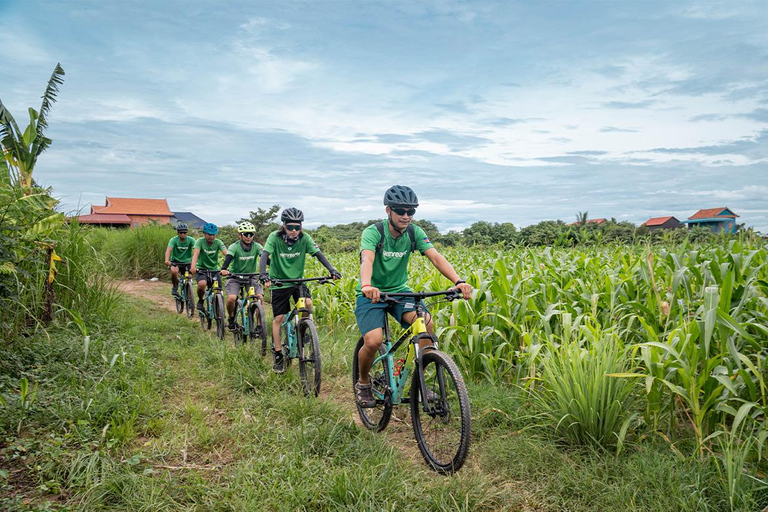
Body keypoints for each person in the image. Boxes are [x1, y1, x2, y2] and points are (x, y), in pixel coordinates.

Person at [354, 185, 472, 408]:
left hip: (400, 291)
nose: (406, 216)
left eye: (411, 211)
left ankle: (419, 383)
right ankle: (363, 383)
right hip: (372, 294)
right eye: (401, 211)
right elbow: (367, 260)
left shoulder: (414, 232)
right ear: (388, 210)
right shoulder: (374, 232)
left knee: (425, 324)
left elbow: (435, 257)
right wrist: (367, 285)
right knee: (374, 341)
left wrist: (458, 281)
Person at [259, 207, 341, 373]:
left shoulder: (305, 238)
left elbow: (318, 254)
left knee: (308, 304)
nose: (294, 231)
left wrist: (331, 269)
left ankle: (303, 330)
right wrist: (263, 275)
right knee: (279, 318)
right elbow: (265, 255)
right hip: (279, 282)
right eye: (290, 227)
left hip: (297, 282)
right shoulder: (274, 238)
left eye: (297, 227)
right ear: (284, 226)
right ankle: (277, 353)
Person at [220, 221, 264, 331]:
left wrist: (273, 267)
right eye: (246, 234)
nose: (249, 237)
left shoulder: (257, 246)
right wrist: (224, 269)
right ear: (240, 235)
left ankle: (259, 325)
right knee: (231, 298)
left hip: (251, 277)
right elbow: (228, 258)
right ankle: (231, 318)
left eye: (251, 234)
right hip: (235, 277)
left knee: (259, 298)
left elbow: (265, 259)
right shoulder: (234, 247)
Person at [190, 222, 227, 312]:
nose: (211, 237)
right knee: (202, 285)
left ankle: (220, 315)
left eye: (213, 235)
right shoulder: (200, 241)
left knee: (219, 292)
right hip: (202, 269)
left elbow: (227, 254)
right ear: (204, 234)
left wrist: (228, 267)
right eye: (209, 234)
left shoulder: (218, 242)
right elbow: (195, 254)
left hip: (214, 270)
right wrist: (193, 267)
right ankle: (201, 300)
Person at [164, 222, 196, 297]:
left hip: (187, 262)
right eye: (181, 232)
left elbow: (196, 251)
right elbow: (168, 250)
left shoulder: (191, 240)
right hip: (176, 261)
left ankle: (189, 295)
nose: (183, 234)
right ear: (178, 232)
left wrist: (195, 263)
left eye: (184, 232)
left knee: (189, 277)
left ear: (187, 232)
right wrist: (167, 260)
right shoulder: (174, 240)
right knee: (174, 272)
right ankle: (175, 286)